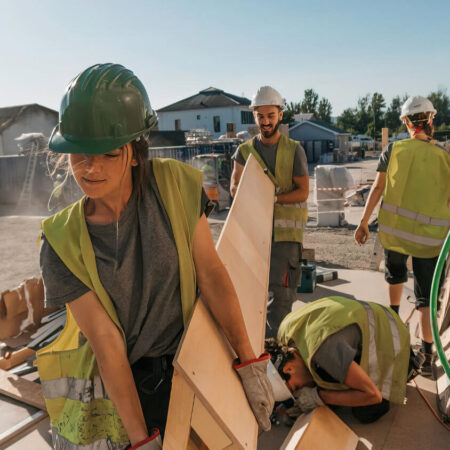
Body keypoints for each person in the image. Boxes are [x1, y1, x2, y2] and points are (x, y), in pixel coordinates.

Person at [37, 63, 274, 450]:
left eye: (108, 154)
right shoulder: (61, 242)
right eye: (78, 154)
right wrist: (140, 440)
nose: (91, 167)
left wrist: (249, 363)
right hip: (127, 392)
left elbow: (211, 274)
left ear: (134, 152)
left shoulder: (175, 186)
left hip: (197, 360)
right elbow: (106, 341)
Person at [354, 96, 450, 376]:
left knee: (395, 277)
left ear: (407, 123)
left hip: (394, 236)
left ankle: (394, 328)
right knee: (426, 298)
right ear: (431, 120)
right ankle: (428, 355)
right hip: (430, 242)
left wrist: (363, 222)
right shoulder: (445, 157)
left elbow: (377, 188)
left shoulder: (393, 150)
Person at [230, 86, 309, 338]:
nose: (265, 122)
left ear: (280, 115)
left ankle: (275, 354)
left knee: (281, 300)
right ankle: (257, 348)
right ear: (254, 116)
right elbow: (234, 187)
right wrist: (251, 197)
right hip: (254, 235)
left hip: (285, 239)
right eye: (260, 116)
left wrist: (271, 199)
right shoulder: (244, 151)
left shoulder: (294, 149)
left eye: (270, 116)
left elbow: (303, 191)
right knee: (250, 296)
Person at [265, 296, 412, 424]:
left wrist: (319, 397)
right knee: (323, 379)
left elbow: (373, 395)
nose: (301, 391)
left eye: (296, 387)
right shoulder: (285, 332)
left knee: (366, 412)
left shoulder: (324, 352)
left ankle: (410, 365)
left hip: (392, 337)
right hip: (367, 316)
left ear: (289, 368)